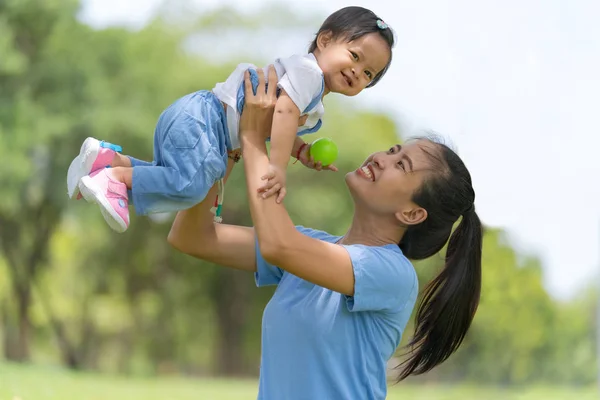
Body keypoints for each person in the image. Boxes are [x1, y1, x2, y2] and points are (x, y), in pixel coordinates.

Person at [167, 67, 483, 399]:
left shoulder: (392, 274)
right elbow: (193, 237)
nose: (382, 159)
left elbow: (278, 245)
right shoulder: (308, 246)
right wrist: (229, 143)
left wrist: (253, 137)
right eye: (393, 151)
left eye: (402, 165)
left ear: (412, 213)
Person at [65, 6, 395, 233]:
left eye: (368, 73)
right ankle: (115, 180)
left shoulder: (309, 91)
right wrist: (277, 167)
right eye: (354, 56)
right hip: (206, 125)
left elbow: (276, 121)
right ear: (324, 40)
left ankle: (108, 161)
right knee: (188, 188)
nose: (357, 71)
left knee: (172, 177)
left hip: (199, 119)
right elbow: (281, 113)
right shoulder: (309, 74)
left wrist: (298, 151)